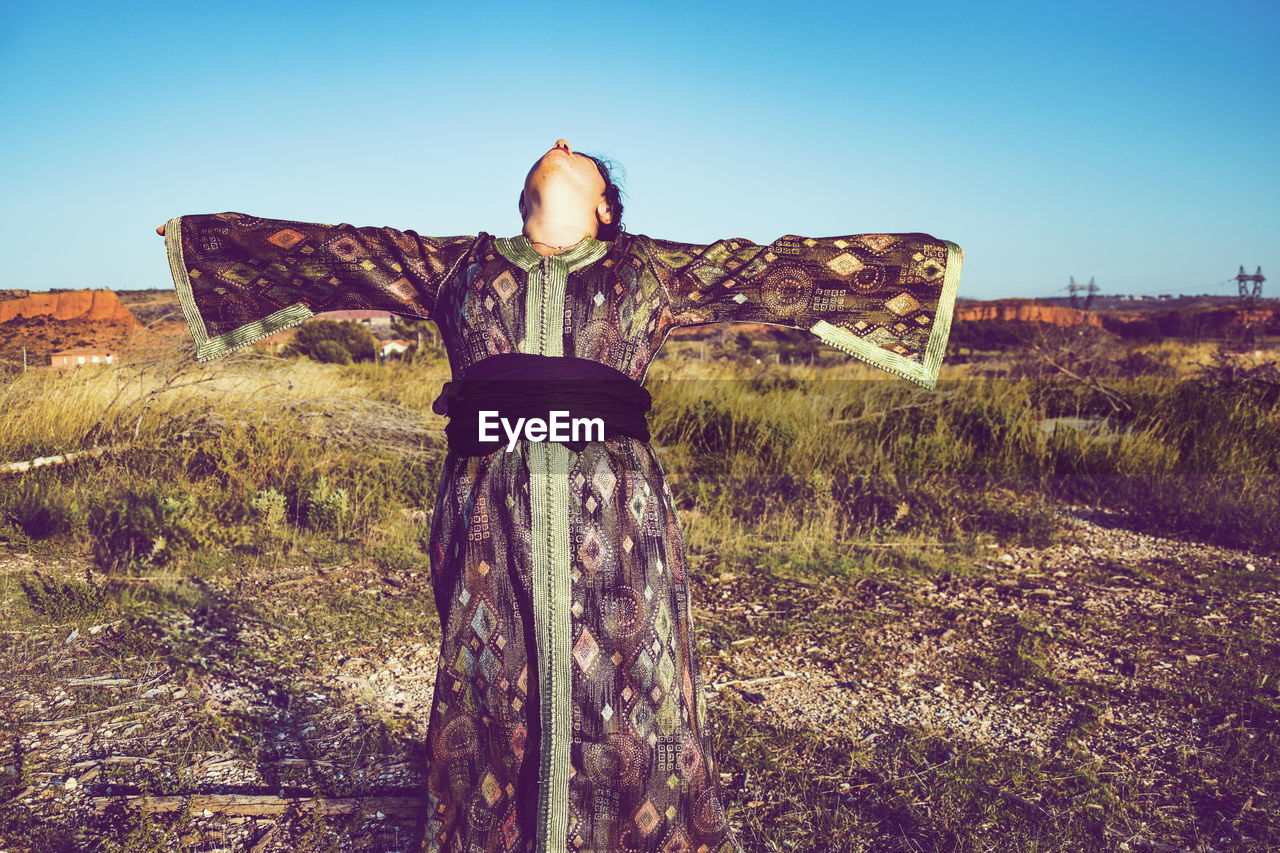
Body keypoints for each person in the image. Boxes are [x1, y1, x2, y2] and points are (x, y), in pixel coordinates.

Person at [157, 139, 963, 853]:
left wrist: (921, 269)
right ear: (522, 201)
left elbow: (773, 269)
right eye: (555, 148)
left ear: (606, 209)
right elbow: (332, 252)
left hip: (619, 517)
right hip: (486, 512)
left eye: (586, 159)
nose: (563, 139)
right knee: (490, 675)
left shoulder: (647, 267)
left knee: (629, 687)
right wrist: (205, 243)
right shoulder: (457, 265)